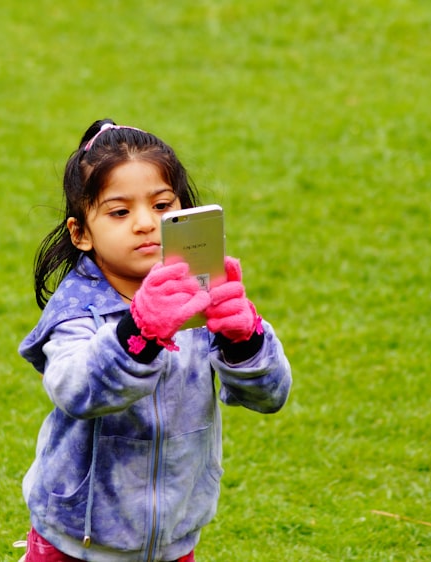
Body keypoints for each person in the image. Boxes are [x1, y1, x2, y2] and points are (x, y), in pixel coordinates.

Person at [17, 119, 292, 562]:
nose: (147, 223)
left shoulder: (199, 295)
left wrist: (246, 339)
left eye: (163, 205)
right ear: (80, 233)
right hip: (78, 541)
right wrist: (139, 331)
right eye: (120, 212)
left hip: (173, 538)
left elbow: (269, 396)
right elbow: (75, 390)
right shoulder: (77, 309)